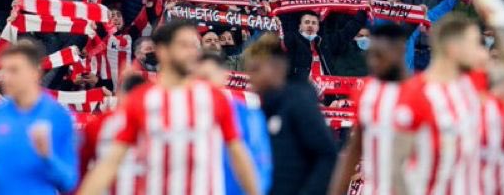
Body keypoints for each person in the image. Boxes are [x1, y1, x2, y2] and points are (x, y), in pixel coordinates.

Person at [78, 20, 260, 195]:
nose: (192, 52)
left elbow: (239, 156)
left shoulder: (214, 98)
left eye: (194, 46)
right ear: (163, 51)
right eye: (184, 45)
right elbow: (110, 163)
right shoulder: (141, 101)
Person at [390, 14, 486, 194]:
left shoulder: (472, 91)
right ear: (453, 49)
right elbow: (396, 162)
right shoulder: (415, 93)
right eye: (474, 45)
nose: (482, 52)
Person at [0, 42, 78, 195]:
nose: (5, 77)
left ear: (35, 72)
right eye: (4, 70)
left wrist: (47, 156)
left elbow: (69, 181)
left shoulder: (59, 117)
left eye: (14, 70)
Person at [243, 32, 337, 195]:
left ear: (276, 68)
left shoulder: (299, 101)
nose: (251, 77)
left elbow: (327, 154)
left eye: (256, 70)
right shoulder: (266, 108)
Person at [327, 23, 409, 195]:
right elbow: (356, 147)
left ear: (399, 51)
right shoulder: (366, 91)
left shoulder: (423, 92)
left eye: (379, 56)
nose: (373, 62)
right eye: (372, 56)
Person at [196, 51, 273, 195]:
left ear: (223, 77)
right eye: (198, 79)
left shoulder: (247, 115)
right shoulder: (183, 111)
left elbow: (260, 159)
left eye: (206, 78)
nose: (203, 85)